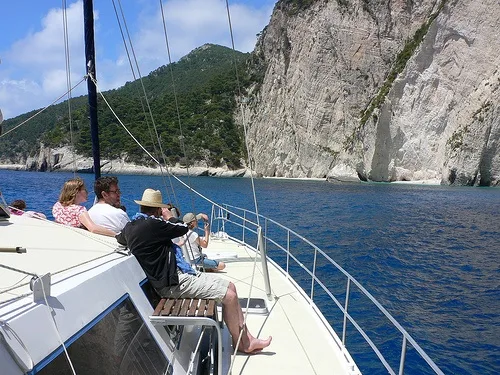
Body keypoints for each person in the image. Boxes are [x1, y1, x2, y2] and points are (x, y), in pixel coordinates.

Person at [116, 188, 271, 354]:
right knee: (230, 296)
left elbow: (120, 238)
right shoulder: (153, 225)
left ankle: (246, 337)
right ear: (157, 210)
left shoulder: (131, 226)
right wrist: (169, 216)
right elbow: (183, 227)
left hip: (173, 278)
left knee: (231, 286)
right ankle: (242, 343)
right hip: (173, 284)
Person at [52, 177, 116, 237]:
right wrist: (116, 235)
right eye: (84, 189)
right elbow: (93, 228)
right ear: (77, 192)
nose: (87, 192)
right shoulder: (79, 210)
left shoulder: (58, 206)